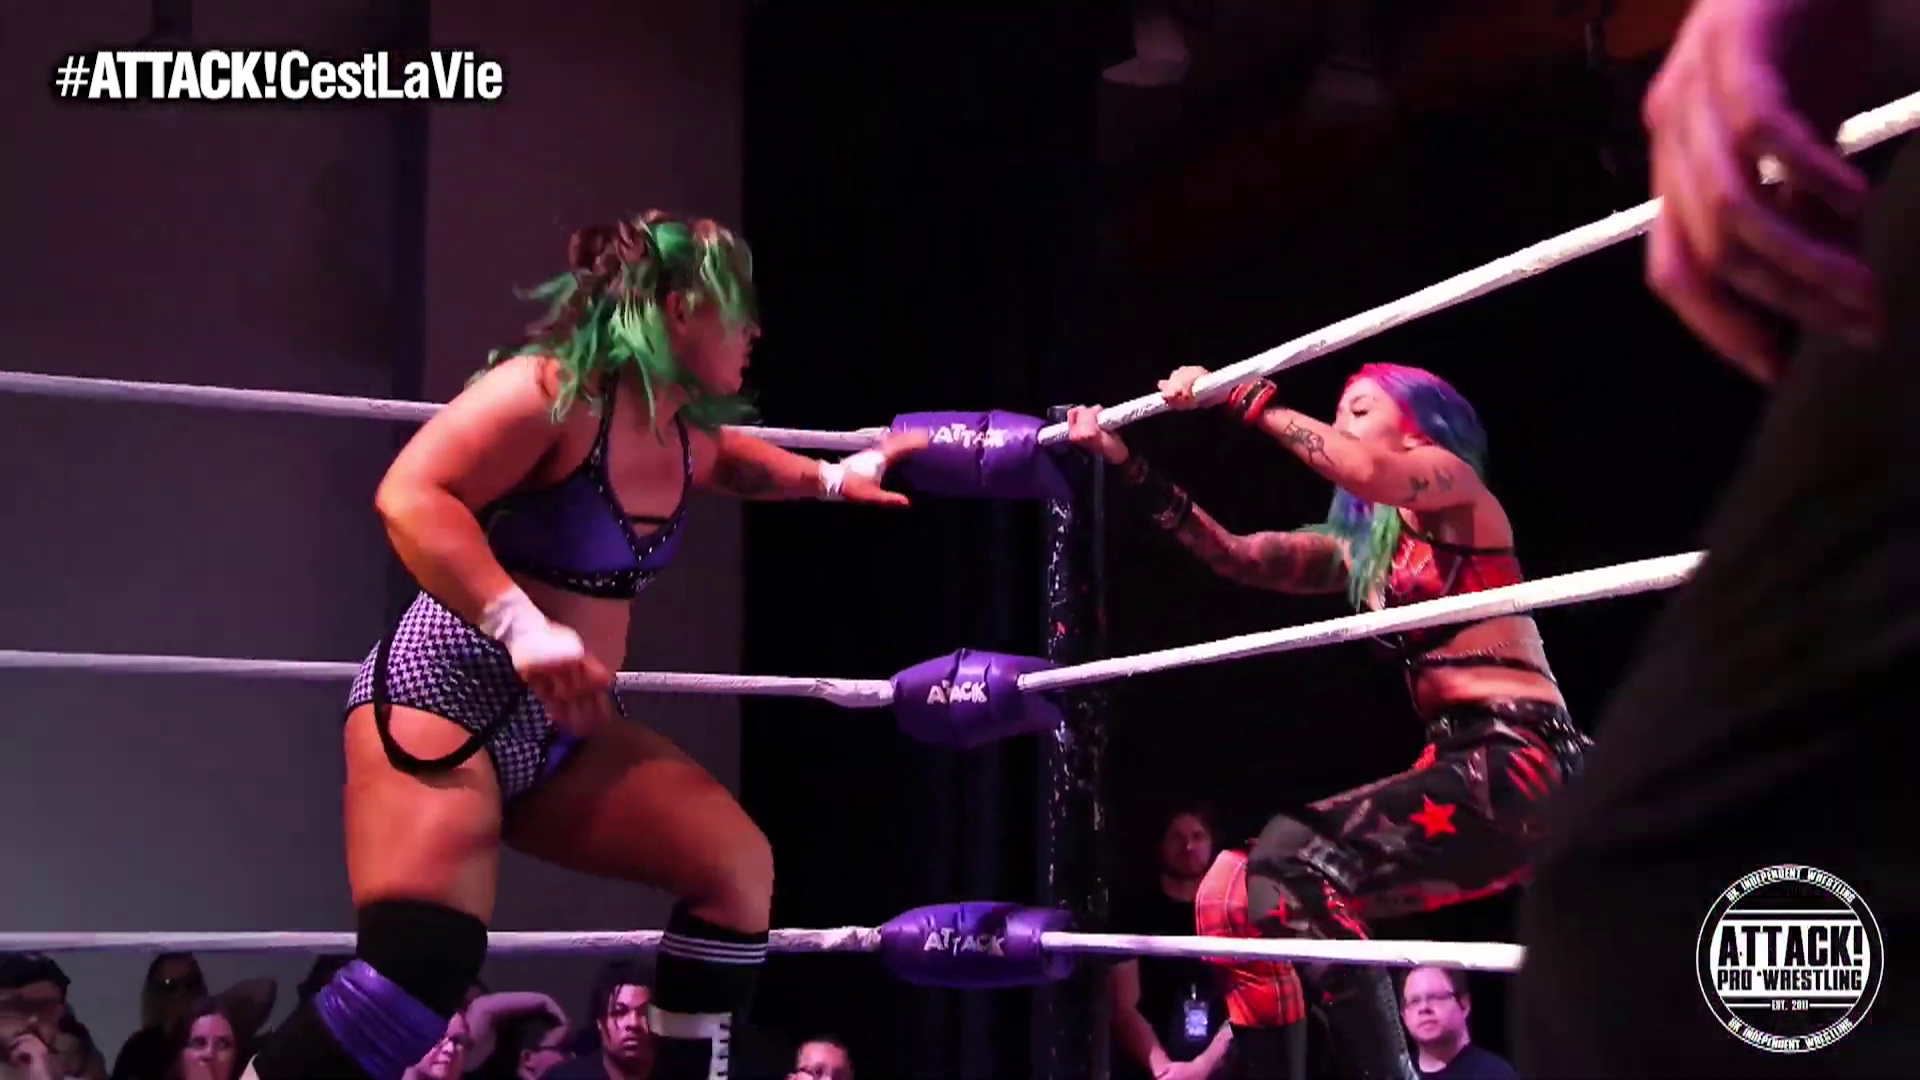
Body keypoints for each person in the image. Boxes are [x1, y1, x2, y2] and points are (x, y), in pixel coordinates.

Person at [247, 210, 927, 1080]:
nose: (755, 330)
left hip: (563, 729)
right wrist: (521, 625)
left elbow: (733, 462)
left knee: (734, 871)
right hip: (444, 697)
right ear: (680, 309)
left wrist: (834, 477)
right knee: (416, 972)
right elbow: (410, 493)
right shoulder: (551, 392)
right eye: (738, 307)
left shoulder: (681, 429)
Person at [1515, 1, 1920, 1075]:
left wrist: (1253, 408)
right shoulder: (1361, 539)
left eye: (1367, 406)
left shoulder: (1435, 485)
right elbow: (1255, 554)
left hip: (1507, 750)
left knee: (1654, 913)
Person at [1069, 362, 1589, 1080]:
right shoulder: (1364, 555)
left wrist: (1245, 397)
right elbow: (1239, 555)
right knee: (1232, 891)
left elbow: (1369, 470)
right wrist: (1127, 464)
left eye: (1361, 410)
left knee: (1289, 857)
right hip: (1456, 770)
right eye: (1339, 413)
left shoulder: (1456, 490)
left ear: (1418, 427)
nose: (1341, 425)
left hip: (1521, 757)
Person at [1108, 807, 1256, 1080]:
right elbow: (1124, 1006)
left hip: (1222, 1067)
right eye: (1177, 837)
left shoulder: (1236, 914)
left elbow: (1250, 1001)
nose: (1188, 847)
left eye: (1197, 836)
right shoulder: (1134, 913)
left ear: (1212, 843)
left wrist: (1201, 1068)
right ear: (1161, 845)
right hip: (1149, 1068)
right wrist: (1164, 1070)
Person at [1398, 968, 1514, 1080]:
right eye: (1414, 1001)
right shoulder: (1397, 1074)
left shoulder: (1496, 1074)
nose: (1424, 1007)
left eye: (1436, 997)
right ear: (1403, 1014)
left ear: (1464, 1005)